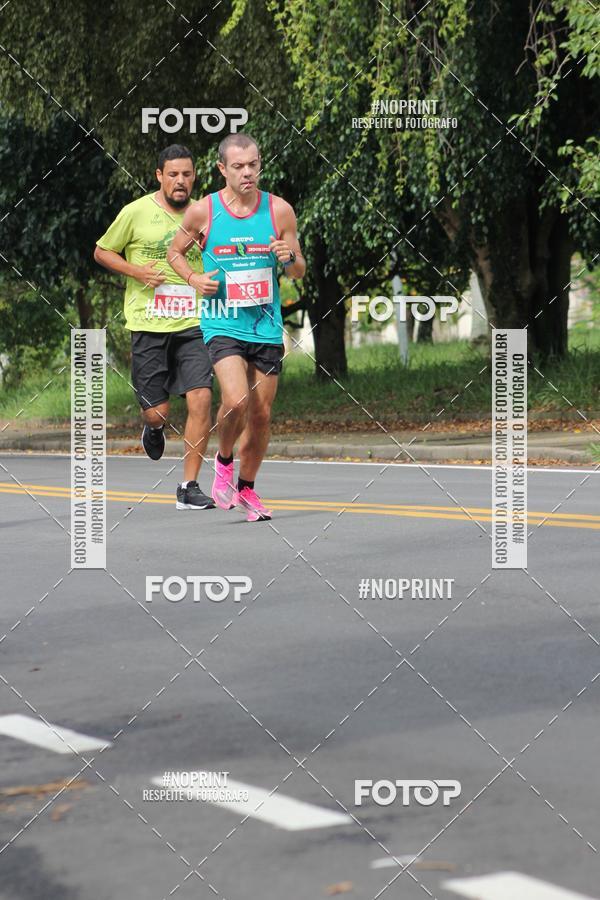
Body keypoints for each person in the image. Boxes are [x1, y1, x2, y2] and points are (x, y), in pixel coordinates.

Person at [168, 132, 305, 521]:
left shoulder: (279, 211)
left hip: (265, 324)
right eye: (239, 166)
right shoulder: (203, 211)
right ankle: (223, 460)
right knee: (237, 399)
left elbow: (298, 269)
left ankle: (247, 489)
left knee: (261, 414)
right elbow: (174, 252)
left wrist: (289, 255)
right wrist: (194, 280)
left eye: (254, 165)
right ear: (222, 169)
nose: (248, 173)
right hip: (222, 321)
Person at [94, 144, 215, 509]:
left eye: (187, 174)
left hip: (195, 321)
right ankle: (154, 425)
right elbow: (101, 251)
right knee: (157, 410)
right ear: (159, 176)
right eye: (173, 174)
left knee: (202, 398)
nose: (181, 181)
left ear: (195, 177)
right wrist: (137, 271)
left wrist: (212, 247)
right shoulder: (136, 212)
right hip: (148, 322)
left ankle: (189, 486)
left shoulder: (205, 213)